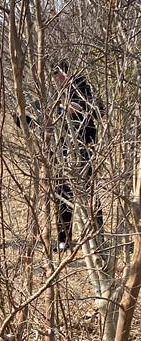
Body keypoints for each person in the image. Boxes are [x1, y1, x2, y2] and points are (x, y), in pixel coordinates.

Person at [51, 60, 101, 250]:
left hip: (84, 148)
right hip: (62, 149)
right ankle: (64, 239)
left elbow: (98, 110)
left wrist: (75, 107)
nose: (56, 80)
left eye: (58, 75)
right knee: (63, 194)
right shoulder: (56, 93)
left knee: (89, 194)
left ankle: (97, 238)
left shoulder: (82, 87)